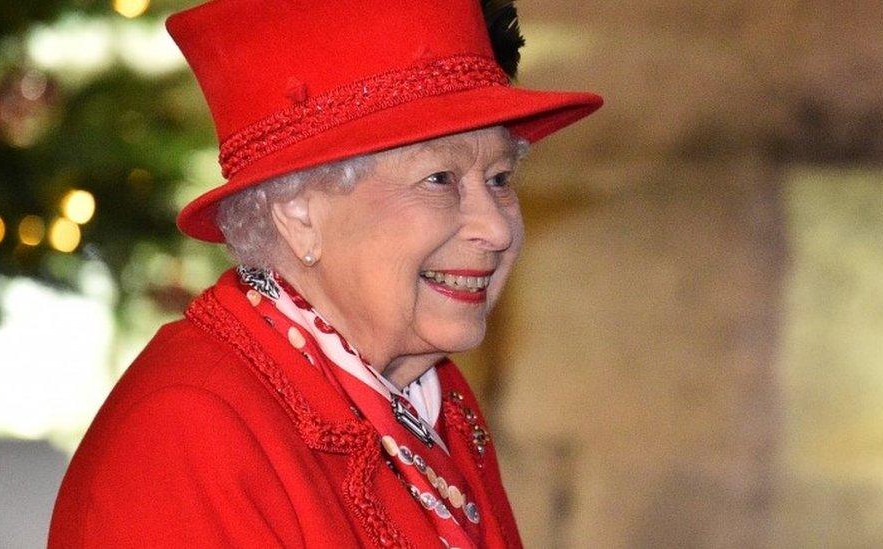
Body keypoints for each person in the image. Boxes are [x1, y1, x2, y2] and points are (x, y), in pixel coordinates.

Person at [48, 0, 602, 547]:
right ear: (299, 213)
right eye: (440, 179)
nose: (497, 229)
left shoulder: (429, 397)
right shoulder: (186, 433)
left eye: (501, 179)